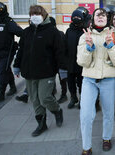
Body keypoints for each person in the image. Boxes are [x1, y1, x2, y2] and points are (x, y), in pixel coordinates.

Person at [77, 8, 115, 155]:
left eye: (103, 15)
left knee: (108, 112)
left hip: (108, 80)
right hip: (89, 80)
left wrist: (110, 46)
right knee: (85, 115)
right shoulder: (84, 36)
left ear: (107, 19)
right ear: (92, 19)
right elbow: (81, 62)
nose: (100, 17)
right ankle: (86, 147)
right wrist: (89, 47)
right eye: (97, 15)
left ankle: (106, 138)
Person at [13, 5, 66, 137]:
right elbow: (21, 51)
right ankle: (41, 124)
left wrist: (62, 69)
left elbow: (59, 52)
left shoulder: (52, 32)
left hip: (46, 72)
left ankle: (57, 111)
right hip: (29, 73)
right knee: (35, 100)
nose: (34, 16)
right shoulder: (26, 32)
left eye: (37, 14)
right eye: (32, 14)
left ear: (44, 15)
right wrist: (17, 65)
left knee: (45, 98)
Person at [65, 7, 91, 109]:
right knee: (70, 83)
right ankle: (73, 98)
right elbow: (65, 46)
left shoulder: (86, 31)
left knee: (81, 83)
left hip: (81, 63)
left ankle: (81, 100)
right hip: (70, 62)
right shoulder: (69, 31)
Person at [49, 17, 68, 104]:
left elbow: (64, 48)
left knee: (62, 79)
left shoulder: (59, 34)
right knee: (52, 78)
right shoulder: (48, 34)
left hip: (59, 61)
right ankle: (53, 93)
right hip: (52, 61)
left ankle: (63, 95)